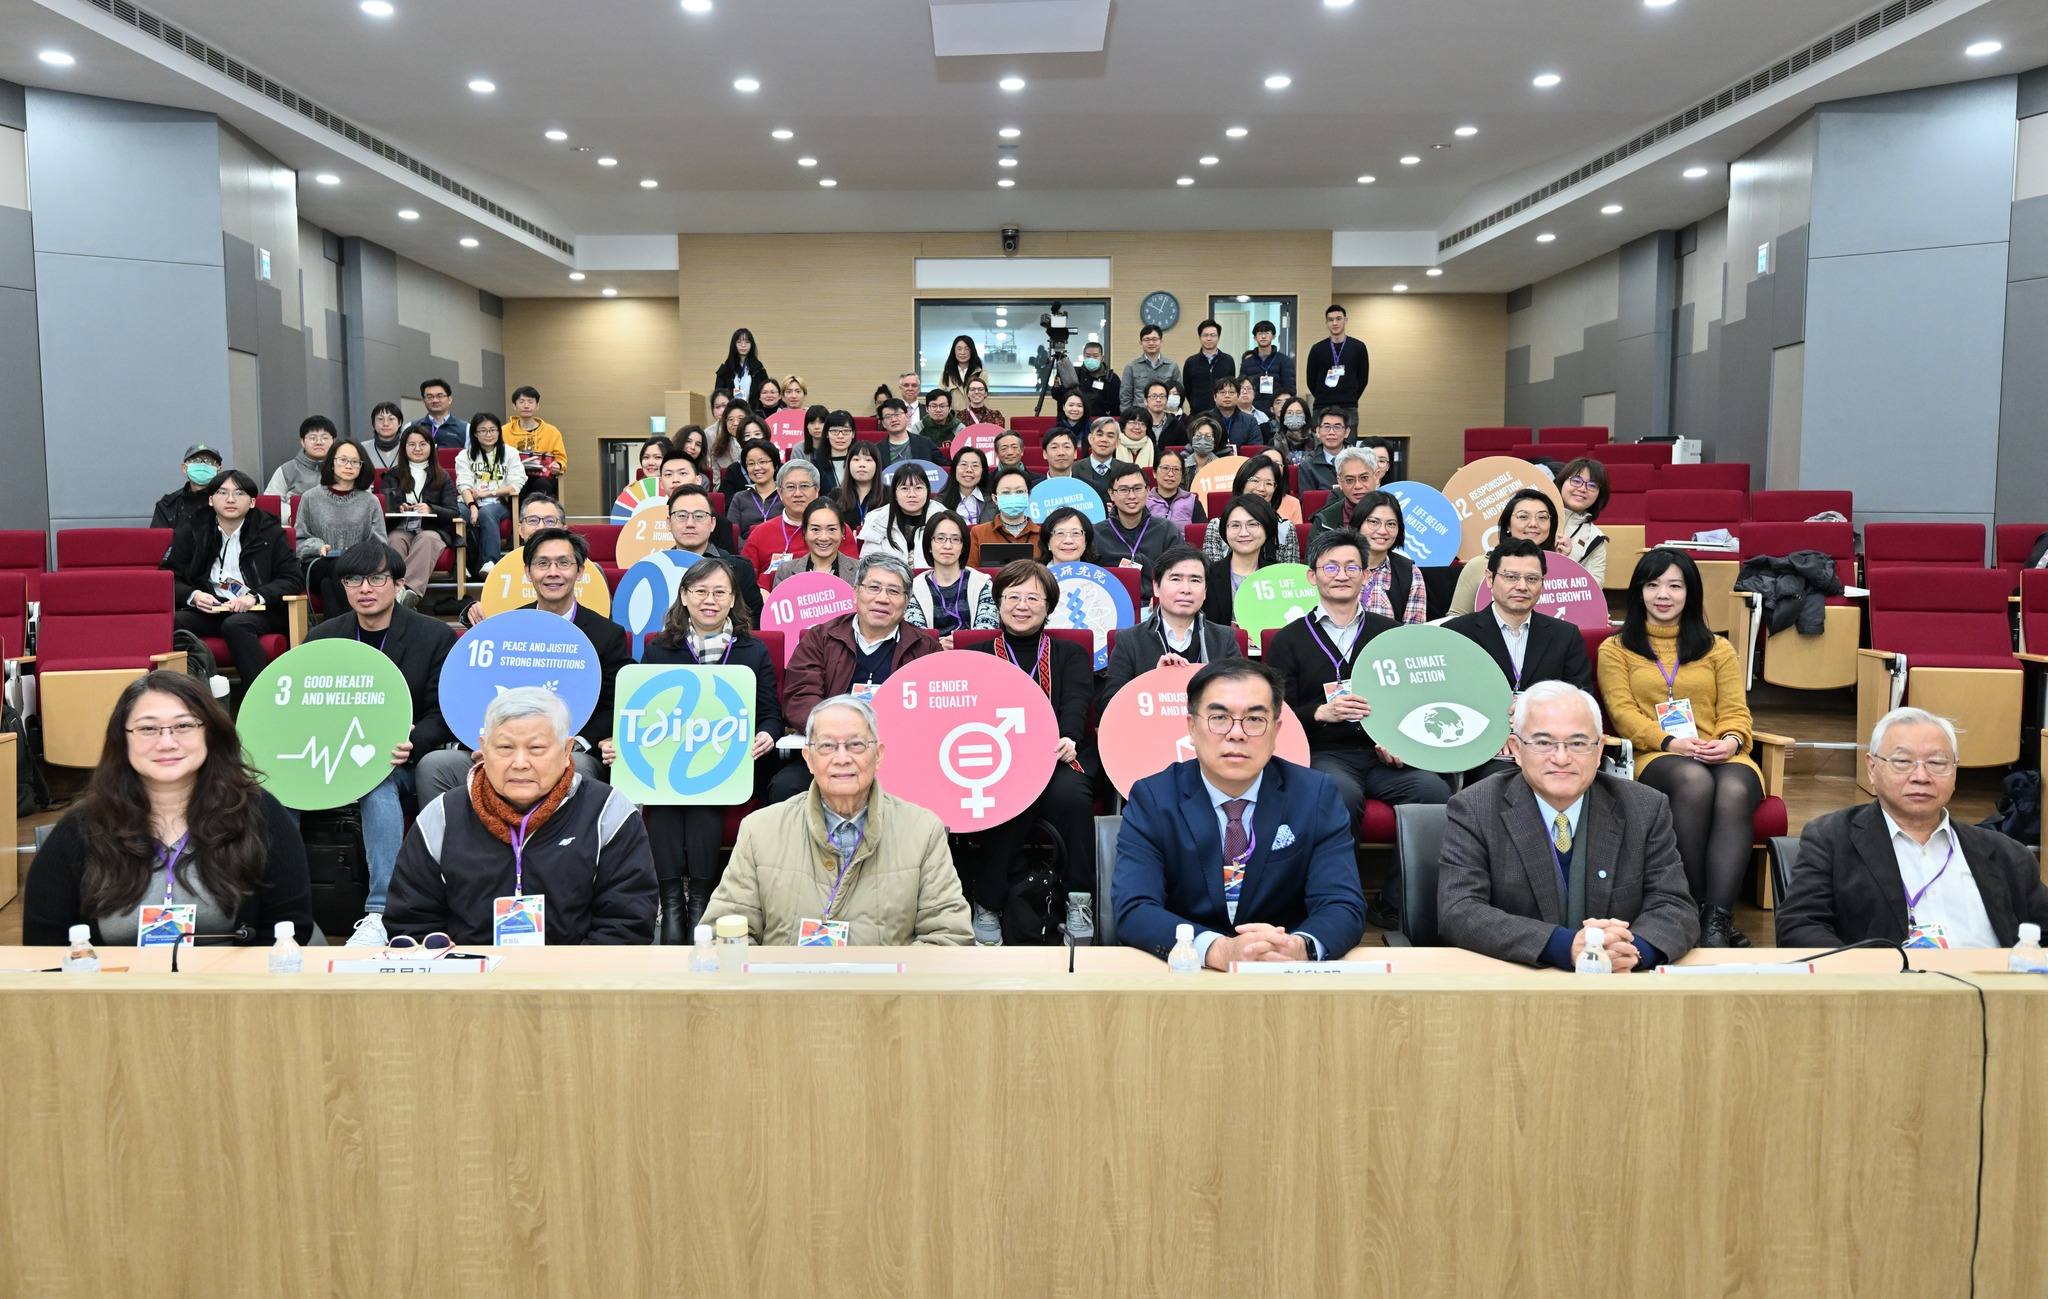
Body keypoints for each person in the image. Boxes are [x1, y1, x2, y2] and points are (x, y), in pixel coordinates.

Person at [22, 670, 313, 946]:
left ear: (210, 733)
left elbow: (289, 926)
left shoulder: (259, 813)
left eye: (183, 726)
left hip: (232, 981)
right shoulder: (83, 826)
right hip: (114, 982)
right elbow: (44, 943)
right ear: (122, 739)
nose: (166, 743)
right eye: (147, 728)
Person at [1112, 659, 1364, 964]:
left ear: (1276, 731)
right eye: (1219, 718)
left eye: (1255, 719)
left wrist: (1300, 947)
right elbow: (1135, 907)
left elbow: (1342, 905)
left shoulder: (1315, 795)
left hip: (1284, 972)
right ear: (1191, 727)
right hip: (1187, 972)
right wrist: (1216, 950)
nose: (1237, 733)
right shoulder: (1154, 797)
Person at [1437, 681, 1698, 969]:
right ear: (1516, 749)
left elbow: (1675, 906)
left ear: (1599, 750)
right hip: (1517, 983)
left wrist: (1631, 951)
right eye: (1543, 743)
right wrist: (1562, 946)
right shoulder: (1475, 808)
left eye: (1577, 743)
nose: (1561, 758)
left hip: (1619, 984)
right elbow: (1459, 910)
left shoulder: (1645, 807)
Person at [602, 557, 782, 943]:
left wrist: (767, 734)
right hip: (670, 758)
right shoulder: (660, 648)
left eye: (719, 592)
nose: (709, 600)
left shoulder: (752, 649)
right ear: (684, 596)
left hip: (729, 762)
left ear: (733, 598)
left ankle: (700, 901)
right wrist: (622, 743)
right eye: (700, 591)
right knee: (664, 794)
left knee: (704, 793)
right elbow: (642, 710)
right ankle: (672, 904)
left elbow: (771, 714)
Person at [386, 688, 654, 945]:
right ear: (483, 749)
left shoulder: (608, 813)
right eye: (505, 747)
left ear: (566, 751)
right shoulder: (443, 816)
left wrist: (564, 974)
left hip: (577, 974)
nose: (520, 763)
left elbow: (627, 923)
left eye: (536, 748)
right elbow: (412, 923)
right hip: (470, 973)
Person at [708, 694, 972, 946]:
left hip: (889, 980)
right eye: (827, 746)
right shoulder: (760, 830)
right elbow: (724, 936)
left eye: (856, 744)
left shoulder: (923, 831)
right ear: (808, 759)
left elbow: (948, 937)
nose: (842, 758)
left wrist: (881, 976)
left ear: (878, 755)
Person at [1597, 547, 1762, 948]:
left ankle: (1717, 920)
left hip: (1720, 751)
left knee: (1735, 788)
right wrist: (1671, 741)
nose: (1663, 595)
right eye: (1653, 585)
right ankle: (1693, 905)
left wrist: (1730, 741)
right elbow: (1623, 714)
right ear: (1639, 592)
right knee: (1693, 780)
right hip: (1655, 754)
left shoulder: (1718, 649)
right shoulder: (1615, 649)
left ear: (1690, 593)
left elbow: (1736, 711)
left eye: (1675, 585)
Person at [1778, 707, 2048, 949]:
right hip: (1885, 985)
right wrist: (1865, 973)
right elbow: (1799, 926)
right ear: (1872, 768)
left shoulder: (2007, 854)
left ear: (1954, 771)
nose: (1921, 777)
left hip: (1992, 986)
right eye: (1903, 762)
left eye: (1936, 763)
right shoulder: (1832, 839)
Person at [303, 542, 459, 947]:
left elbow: (442, 712)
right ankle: (286, 909)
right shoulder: (323, 638)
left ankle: (380, 913)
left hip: (397, 762)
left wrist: (413, 741)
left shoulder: (434, 636)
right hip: (328, 756)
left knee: (376, 780)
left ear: (398, 583)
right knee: (275, 788)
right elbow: (303, 705)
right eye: (353, 580)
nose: (364, 589)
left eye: (376, 578)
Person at [418, 528, 627, 804]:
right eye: (543, 563)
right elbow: (478, 693)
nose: (553, 572)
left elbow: (614, 704)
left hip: (568, 751)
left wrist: (577, 743)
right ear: (528, 572)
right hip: (503, 748)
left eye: (563, 563)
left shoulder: (606, 634)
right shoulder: (506, 626)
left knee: (580, 767)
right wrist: (487, 744)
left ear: (580, 572)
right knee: (434, 766)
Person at [1265, 528, 1449, 835]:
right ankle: (1339, 869)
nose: (1342, 576)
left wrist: (1401, 744)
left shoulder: (1391, 633)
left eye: (1352, 568)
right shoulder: (1288, 640)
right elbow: (1275, 714)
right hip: (1325, 754)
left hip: (1384, 756)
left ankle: (1410, 871)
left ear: (1365, 576)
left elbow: (1415, 702)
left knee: (1435, 793)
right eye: (1330, 567)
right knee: (1340, 794)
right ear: (1312, 576)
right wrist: (1320, 712)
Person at [958, 561, 1100, 945]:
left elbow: (1076, 701)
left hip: (1057, 756)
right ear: (998, 602)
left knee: (1072, 797)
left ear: (1048, 605)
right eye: (1013, 597)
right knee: (1011, 798)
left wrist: (1070, 736)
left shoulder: (1070, 652)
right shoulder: (976, 654)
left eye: (1033, 598)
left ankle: (1079, 899)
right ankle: (987, 903)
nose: (1022, 606)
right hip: (997, 761)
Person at [771, 553, 940, 802]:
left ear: (906, 602)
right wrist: (843, 734)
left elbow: (935, 711)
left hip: (898, 753)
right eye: (873, 587)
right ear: (856, 592)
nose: (882, 598)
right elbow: (800, 697)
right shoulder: (821, 638)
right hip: (831, 749)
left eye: (893, 591)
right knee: (786, 786)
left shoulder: (925, 648)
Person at [1444, 539, 1594, 778]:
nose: (1522, 586)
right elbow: (1448, 699)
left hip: (1550, 747)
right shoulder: (1457, 634)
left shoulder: (1565, 635)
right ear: (1490, 579)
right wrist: (1495, 734)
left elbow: (1581, 699)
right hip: (1484, 750)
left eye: (1532, 578)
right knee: (1505, 779)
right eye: (1511, 577)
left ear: (1542, 583)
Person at [163, 470, 301, 700]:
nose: (230, 499)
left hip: (261, 611)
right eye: (222, 493)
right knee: (173, 622)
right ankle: (187, 701)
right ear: (210, 500)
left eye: (239, 493)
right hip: (212, 609)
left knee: (236, 624)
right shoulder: (193, 529)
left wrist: (254, 597)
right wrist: (194, 595)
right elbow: (168, 576)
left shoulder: (270, 532)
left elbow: (292, 578)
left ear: (253, 502)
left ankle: (260, 701)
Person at [1102, 545, 1243, 705]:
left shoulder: (1225, 639)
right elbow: (1111, 705)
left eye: (1195, 580)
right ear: (1156, 587)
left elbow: (1242, 698)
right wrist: (1153, 682)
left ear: (1205, 591)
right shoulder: (1129, 641)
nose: (1186, 589)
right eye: (1176, 579)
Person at [295, 438, 386, 620]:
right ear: (331, 463)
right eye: (343, 460)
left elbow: (380, 543)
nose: (349, 466)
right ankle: (363, 623)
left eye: (355, 462)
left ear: (362, 467)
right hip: (316, 564)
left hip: (358, 568)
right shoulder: (310, 498)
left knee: (328, 585)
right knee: (335, 567)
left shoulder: (370, 501)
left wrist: (355, 555)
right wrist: (318, 547)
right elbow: (299, 540)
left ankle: (340, 633)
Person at [454, 494, 569, 629]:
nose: (541, 527)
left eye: (550, 521)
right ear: (520, 530)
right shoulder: (504, 569)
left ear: (564, 529)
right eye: (533, 520)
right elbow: (494, 619)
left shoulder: (582, 568)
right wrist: (477, 611)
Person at [380, 424, 459, 608]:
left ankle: (406, 592)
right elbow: (384, 506)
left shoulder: (442, 476)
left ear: (431, 447)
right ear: (404, 448)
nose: (417, 449)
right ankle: (401, 597)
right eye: (412, 444)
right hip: (402, 527)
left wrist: (431, 509)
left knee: (426, 539)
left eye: (422, 444)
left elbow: (453, 511)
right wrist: (399, 507)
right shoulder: (392, 475)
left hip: (433, 529)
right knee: (395, 540)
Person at [1448, 488, 1559, 617]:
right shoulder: (1478, 566)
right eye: (1523, 517)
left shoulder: (1565, 568)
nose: (1533, 523)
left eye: (1542, 517)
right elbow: (1455, 619)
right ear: (1508, 525)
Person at [665, 481, 763, 622]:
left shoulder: (740, 570)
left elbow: (753, 625)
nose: (690, 523)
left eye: (699, 516)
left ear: (712, 524)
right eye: (681, 516)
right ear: (669, 523)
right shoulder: (654, 570)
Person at [904, 511, 994, 648]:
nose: (947, 546)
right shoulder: (914, 587)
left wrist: (960, 643)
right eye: (940, 538)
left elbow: (987, 629)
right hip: (930, 656)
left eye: (955, 539)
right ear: (929, 545)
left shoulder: (982, 583)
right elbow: (915, 634)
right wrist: (941, 646)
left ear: (963, 547)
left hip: (974, 655)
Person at [456, 412, 526, 574]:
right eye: (483, 430)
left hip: (498, 503)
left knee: (487, 512)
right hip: (469, 501)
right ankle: (460, 564)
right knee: (457, 513)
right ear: (475, 433)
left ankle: (490, 562)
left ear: (499, 432)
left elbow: (515, 485)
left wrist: (488, 493)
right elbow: (463, 484)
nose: (488, 434)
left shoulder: (510, 453)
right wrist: (472, 506)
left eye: (493, 430)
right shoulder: (464, 455)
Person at [1203, 496, 1290, 625]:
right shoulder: (1206, 576)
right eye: (1235, 525)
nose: (1243, 533)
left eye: (1252, 524)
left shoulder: (1280, 578)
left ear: (1267, 528)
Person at [1346, 490, 1428, 624]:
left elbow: (1413, 631)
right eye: (1374, 522)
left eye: (1391, 524)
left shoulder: (1410, 573)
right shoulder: (1336, 566)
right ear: (1358, 524)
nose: (1383, 531)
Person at [1093, 462, 1173, 595]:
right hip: (1110, 603)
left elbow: (1179, 572)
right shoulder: (1096, 533)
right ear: (1111, 494)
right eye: (1123, 490)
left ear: (1148, 491)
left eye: (1137, 488)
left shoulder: (1166, 530)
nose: (1131, 496)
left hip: (1156, 602)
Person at [739, 458, 822, 584]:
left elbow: (848, 574)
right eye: (790, 487)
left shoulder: (834, 530)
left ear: (816, 491)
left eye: (804, 486)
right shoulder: (761, 532)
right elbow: (744, 579)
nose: (798, 493)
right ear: (780, 493)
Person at [1201, 459, 1301, 561]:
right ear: (1242, 483)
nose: (1261, 488)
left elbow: (1290, 569)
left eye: (1269, 483)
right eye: (1255, 480)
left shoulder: (1285, 528)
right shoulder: (1217, 526)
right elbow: (1214, 569)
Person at [771, 500, 860, 588]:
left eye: (832, 529)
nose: (823, 538)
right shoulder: (785, 571)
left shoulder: (860, 570)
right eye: (815, 529)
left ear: (843, 532)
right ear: (804, 532)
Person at [857, 461, 934, 563]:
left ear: (928, 491)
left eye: (918, 488)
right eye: (904, 488)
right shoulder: (877, 522)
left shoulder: (943, 520)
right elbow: (868, 564)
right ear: (894, 494)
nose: (912, 494)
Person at [1304, 303, 1369, 417]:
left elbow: (1363, 379)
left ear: (1345, 321)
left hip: (1348, 406)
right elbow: (1311, 380)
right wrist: (1323, 397)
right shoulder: (1317, 349)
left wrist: (1351, 398)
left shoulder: (1358, 347)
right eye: (1331, 320)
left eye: (1338, 319)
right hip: (1322, 406)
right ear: (1326, 323)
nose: (1335, 323)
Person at [1306, 447, 1385, 540]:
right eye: (1350, 480)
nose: (1358, 486)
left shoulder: (1392, 513)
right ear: (1340, 482)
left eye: (1364, 478)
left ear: (1376, 477)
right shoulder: (1324, 521)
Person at [968, 466, 1041, 565]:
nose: (1013, 497)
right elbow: (971, 570)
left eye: (1019, 492)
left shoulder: (1042, 535)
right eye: (1006, 492)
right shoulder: (978, 533)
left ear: (1028, 496)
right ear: (995, 499)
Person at [1555, 458, 1611, 584]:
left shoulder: (1595, 539)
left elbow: (1594, 589)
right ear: (1561, 482)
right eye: (1576, 481)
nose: (1582, 489)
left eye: (1592, 485)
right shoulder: (1533, 517)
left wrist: (1567, 563)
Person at [152, 443, 226, 535]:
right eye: (196, 460)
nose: (202, 466)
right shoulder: (168, 506)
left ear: (218, 471)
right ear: (184, 468)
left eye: (210, 462)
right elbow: (157, 540)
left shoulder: (227, 501)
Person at [507, 386, 567, 494]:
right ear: (514, 406)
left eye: (530, 402)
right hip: (515, 476)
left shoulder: (552, 431)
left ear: (537, 406)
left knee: (542, 484)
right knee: (519, 485)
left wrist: (558, 465)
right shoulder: (504, 431)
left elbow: (561, 458)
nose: (526, 405)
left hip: (543, 476)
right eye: (521, 402)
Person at [724, 438, 785, 541]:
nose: (757, 468)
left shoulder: (786, 495)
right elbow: (732, 534)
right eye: (751, 464)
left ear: (775, 465)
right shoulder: (739, 498)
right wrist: (748, 550)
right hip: (747, 549)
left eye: (762, 462)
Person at [263, 416, 336, 500]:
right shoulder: (287, 470)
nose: (319, 442)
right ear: (302, 442)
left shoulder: (342, 468)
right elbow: (271, 502)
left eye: (324, 438)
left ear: (333, 441)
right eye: (312, 438)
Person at [1239, 319, 1295, 416]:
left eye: (1267, 333)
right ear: (1255, 338)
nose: (1263, 336)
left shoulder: (1285, 361)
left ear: (1273, 336)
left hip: (1277, 412)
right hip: (1253, 412)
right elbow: (1241, 389)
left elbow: (1290, 390)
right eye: (1260, 333)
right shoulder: (1247, 363)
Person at [1121, 323, 1180, 413]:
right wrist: (1127, 417)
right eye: (1147, 339)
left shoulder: (1172, 366)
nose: (1151, 343)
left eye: (1155, 339)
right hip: (1139, 416)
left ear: (1161, 342)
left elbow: (1179, 394)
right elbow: (1125, 397)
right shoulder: (1131, 367)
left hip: (1165, 416)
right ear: (1141, 343)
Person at [1056, 338, 1121, 420]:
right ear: (1083, 357)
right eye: (1088, 356)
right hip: (1075, 419)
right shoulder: (1074, 373)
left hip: (1101, 420)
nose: (1091, 359)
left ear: (1102, 358)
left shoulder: (1111, 377)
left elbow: (1116, 404)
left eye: (1095, 356)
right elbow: (1058, 396)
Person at [1296, 409, 1354, 494]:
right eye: (1326, 427)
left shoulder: (1359, 460)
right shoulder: (1307, 465)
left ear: (1347, 432)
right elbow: (1308, 500)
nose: (1331, 432)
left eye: (1337, 427)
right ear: (1318, 431)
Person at [833, 441, 887, 527]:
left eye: (868, 460)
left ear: (877, 465)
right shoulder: (836, 496)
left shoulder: (889, 496)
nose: (862, 465)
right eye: (856, 459)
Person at [1074, 417, 1126, 504]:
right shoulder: (1074, 469)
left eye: (1110, 436)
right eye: (1099, 434)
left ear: (1117, 442)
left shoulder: (1126, 470)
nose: (1104, 440)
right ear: (1090, 439)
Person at [1146, 451, 1204, 528]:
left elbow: (1201, 532)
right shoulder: (1144, 501)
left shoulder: (1193, 502)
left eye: (1176, 469)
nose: (1170, 474)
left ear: (1182, 475)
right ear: (1154, 473)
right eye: (1165, 468)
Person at [714, 327, 768, 406]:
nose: (743, 345)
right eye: (739, 342)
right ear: (734, 345)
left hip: (753, 412)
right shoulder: (725, 370)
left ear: (751, 345)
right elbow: (718, 396)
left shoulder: (759, 370)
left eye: (747, 342)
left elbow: (765, 394)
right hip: (730, 411)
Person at [810, 409, 859, 496]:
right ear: (826, 434)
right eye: (834, 431)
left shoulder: (861, 462)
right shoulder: (816, 465)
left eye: (846, 431)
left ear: (853, 434)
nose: (840, 436)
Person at [881, 397, 940, 466]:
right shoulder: (878, 450)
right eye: (888, 417)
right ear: (883, 423)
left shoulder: (925, 443)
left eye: (897, 414)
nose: (894, 419)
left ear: (907, 417)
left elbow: (945, 466)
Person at [939, 446, 989, 526]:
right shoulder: (940, 501)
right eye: (963, 464)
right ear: (954, 470)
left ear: (982, 473)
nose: (969, 470)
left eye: (975, 466)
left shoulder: (991, 501)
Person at [939, 335, 988, 412]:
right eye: (959, 349)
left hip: (975, 415)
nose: (962, 353)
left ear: (972, 351)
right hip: (953, 417)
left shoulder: (981, 373)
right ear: (954, 351)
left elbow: (983, 397)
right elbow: (941, 399)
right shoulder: (946, 374)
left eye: (967, 349)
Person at [708, 397, 754, 480]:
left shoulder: (760, 444)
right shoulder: (717, 450)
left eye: (740, 418)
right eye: (731, 419)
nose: (735, 423)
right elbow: (716, 483)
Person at [1208, 373, 1258, 448]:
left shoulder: (1250, 421)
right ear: (1214, 397)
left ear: (1238, 396)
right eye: (1222, 392)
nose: (1227, 396)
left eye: (1231, 392)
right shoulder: (1206, 419)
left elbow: (1255, 448)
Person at [419, 377, 468, 449]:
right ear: (423, 401)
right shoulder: (411, 427)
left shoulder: (466, 429)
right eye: (430, 397)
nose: (435, 400)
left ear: (450, 400)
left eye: (439, 396)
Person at [1142, 380, 1188, 449]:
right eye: (1154, 396)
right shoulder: (1138, 424)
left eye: (1162, 396)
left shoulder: (1178, 426)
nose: (1158, 400)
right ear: (1145, 401)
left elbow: (1183, 451)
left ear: (1167, 400)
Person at [363, 401, 406, 472]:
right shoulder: (362, 448)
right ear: (373, 423)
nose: (385, 423)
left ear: (400, 423)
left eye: (391, 419)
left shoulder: (408, 447)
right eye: (380, 419)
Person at [1268, 395, 1314, 460]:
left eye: (1299, 413)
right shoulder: (1274, 442)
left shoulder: (1316, 441)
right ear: (1283, 416)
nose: (1294, 416)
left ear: (1306, 416)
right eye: (1289, 413)